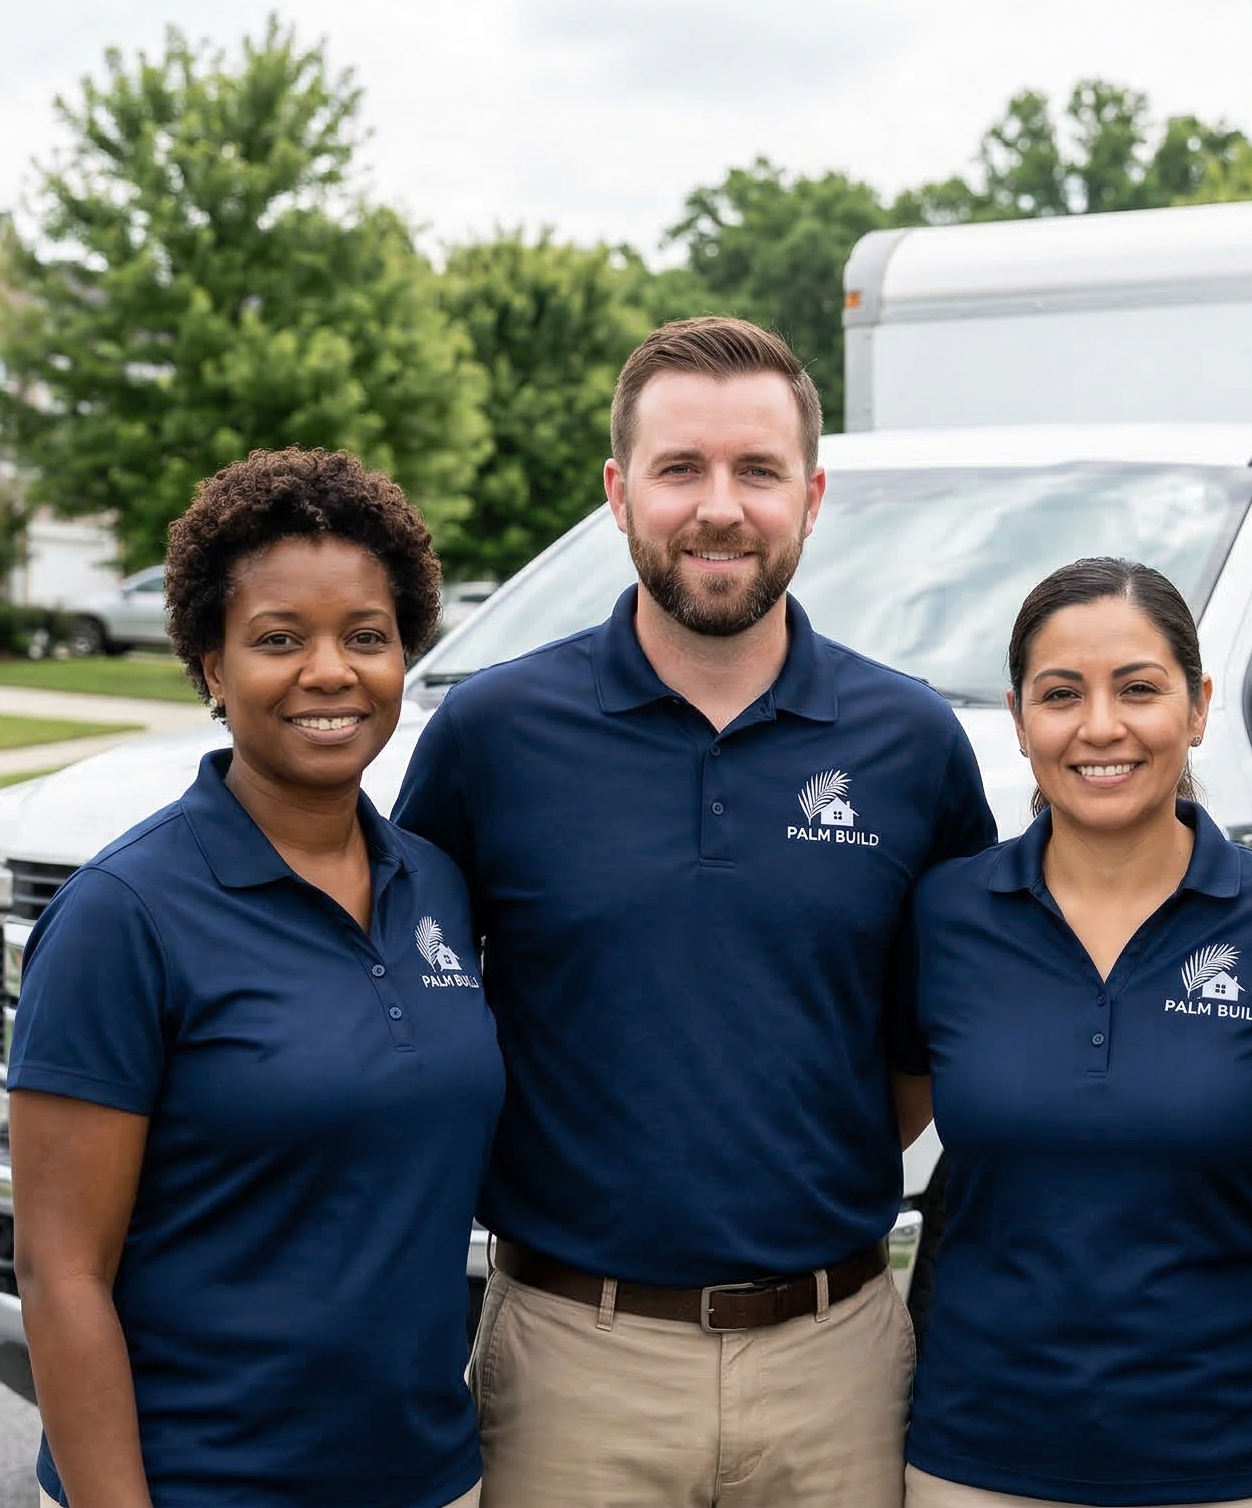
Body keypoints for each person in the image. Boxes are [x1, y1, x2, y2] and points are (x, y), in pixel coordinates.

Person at [394, 315, 998, 1505]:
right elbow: (402, 1009)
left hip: (836, 1360)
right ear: (619, 493)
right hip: (574, 1358)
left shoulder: (910, 745)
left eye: (757, 470)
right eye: (680, 469)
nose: (719, 507)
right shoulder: (491, 737)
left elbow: (934, 1037)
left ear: (811, 496)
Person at [6, 449, 500, 1508]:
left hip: (426, 1476)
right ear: (213, 667)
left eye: (365, 637)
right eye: (279, 639)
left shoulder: (435, 887)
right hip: (204, 1484)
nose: (330, 671)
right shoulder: (124, 916)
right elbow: (61, 1276)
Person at [892, 558, 1252, 1508]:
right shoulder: (942, 916)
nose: (1101, 727)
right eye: (1062, 695)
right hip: (979, 1458)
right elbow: (885, 1119)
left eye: (1139, 688)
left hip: (1240, 1460)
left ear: (1196, 705)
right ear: (1019, 721)